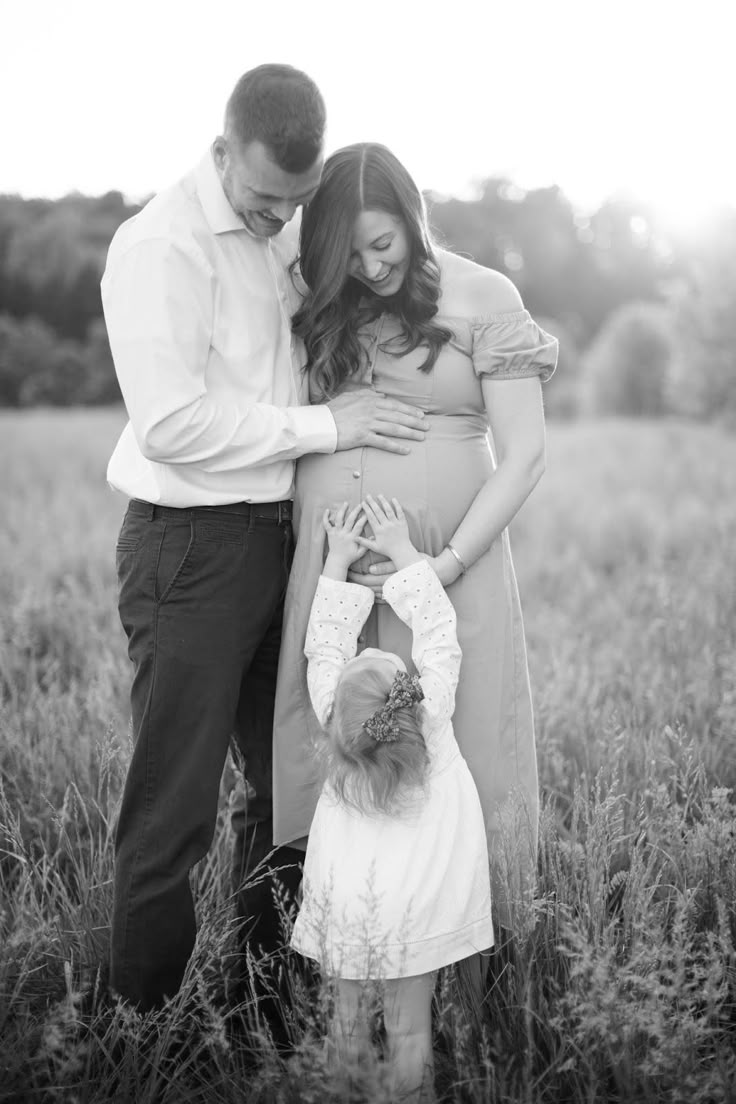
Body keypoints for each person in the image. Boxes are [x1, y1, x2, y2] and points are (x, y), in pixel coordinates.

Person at [101, 71, 428, 1011]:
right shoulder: (159, 247)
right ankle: (141, 1021)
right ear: (223, 146)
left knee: (288, 784)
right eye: (263, 196)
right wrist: (329, 428)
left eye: (295, 197)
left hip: (275, 541)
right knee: (175, 806)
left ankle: (263, 1005)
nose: (278, 216)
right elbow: (170, 424)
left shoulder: (283, 224)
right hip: (189, 550)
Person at [273, 143, 558, 933]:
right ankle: (340, 933)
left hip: (446, 565)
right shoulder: (320, 295)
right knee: (335, 735)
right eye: (349, 250)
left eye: (383, 243)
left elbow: (526, 454)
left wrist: (447, 561)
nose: (367, 266)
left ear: (412, 218)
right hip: (334, 573)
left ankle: (477, 946)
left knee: (464, 742)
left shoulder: (483, 295)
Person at [291, 494, 493, 1101]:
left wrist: (336, 563)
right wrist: (405, 552)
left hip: (350, 905)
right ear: (404, 693)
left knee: (345, 1028)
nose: (372, 648)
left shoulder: (337, 722)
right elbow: (437, 632)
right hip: (420, 906)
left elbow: (325, 649)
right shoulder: (428, 718)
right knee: (410, 1031)